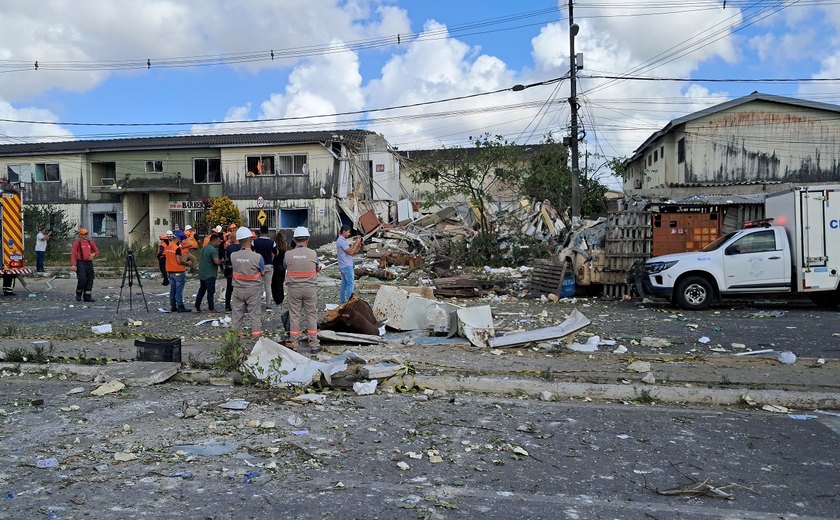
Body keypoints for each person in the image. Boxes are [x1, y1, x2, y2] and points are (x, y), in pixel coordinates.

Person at [284, 226, 322, 354]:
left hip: (294, 289)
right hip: (309, 288)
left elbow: (286, 266)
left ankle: (294, 343)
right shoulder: (313, 253)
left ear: (294, 240)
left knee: (294, 316)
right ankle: (314, 344)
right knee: (311, 315)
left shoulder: (288, 254)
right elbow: (316, 268)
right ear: (307, 240)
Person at [230, 226, 265, 339]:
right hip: (253, 290)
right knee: (255, 315)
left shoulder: (233, 256)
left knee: (237, 315)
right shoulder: (257, 257)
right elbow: (262, 272)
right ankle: (256, 338)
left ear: (239, 240)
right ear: (250, 239)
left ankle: (235, 339)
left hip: (238, 289)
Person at [163, 230, 192, 312]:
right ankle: (180, 306)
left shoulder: (168, 247)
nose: (182, 241)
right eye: (181, 239)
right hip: (178, 271)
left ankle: (173, 306)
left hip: (170, 271)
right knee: (178, 290)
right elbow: (179, 261)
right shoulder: (176, 248)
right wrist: (187, 263)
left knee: (172, 290)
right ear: (179, 238)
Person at [195, 233, 222, 312]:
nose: (219, 243)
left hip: (202, 273)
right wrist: (222, 261)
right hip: (210, 274)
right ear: (214, 241)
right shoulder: (213, 250)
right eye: (218, 242)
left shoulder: (204, 248)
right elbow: (216, 261)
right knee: (210, 292)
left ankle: (197, 306)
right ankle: (211, 308)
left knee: (202, 290)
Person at [70, 228, 99, 302]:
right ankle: (78, 293)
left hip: (89, 263)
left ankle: (87, 296)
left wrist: (93, 254)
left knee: (90, 279)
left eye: (86, 234)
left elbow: (97, 251)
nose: (85, 235)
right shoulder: (77, 243)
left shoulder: (90, 242)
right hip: (80, 263)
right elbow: (73, 254)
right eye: (83, 234)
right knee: (82, 278)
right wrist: (73, 265)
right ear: (80, 235)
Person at [336, 225, 362, 304]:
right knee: (350, 284)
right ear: (344, 231)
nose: (349, 234)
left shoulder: (341, 240)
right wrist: (356, 243)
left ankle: (343, 301)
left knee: (344, 284)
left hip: (343, 266)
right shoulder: (341, 241)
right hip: (346, 266)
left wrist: (358, 245)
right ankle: (351, 302)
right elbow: (350, 252)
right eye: (348, 232)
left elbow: (352, 252)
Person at [253, 225, 275, 310]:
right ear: (268, 232)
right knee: (268, 286)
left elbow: (251, 250)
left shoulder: (255, 242)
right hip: (269, 265)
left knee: (258, 286)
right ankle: (268, 305)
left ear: (260, 232)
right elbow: (275, 252)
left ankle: (256, 304)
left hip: (257, 266)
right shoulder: (272, 242)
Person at [223, 229, 242, 312]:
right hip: (241, 271)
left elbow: (226, 258)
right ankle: (241, 305)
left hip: (231, 271)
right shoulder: (242, 247)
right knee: (241, 289)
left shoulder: (229, 247)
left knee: (229, 289)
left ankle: (227, 305)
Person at [271, 230, 291, 306]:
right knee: (280, 283)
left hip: (275, 266)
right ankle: (280, 298)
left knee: (274, 284)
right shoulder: (284, 245)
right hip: (282, 266)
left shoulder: (275, 247)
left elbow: (273, 256)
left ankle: (276, 298)